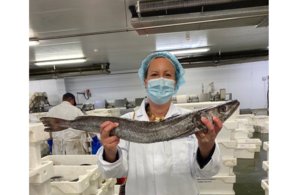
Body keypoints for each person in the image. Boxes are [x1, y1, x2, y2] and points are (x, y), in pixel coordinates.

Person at [96, 52, 223, 195]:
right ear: (145, 82)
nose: (161, 80)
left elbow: (208, 172)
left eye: (168, 75)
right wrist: (110, 151)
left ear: (175, 83)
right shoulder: (126, 122)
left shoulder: (193, 121)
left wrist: (206, 147)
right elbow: (113, 172)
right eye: (155, 74)